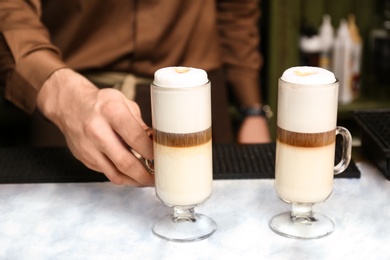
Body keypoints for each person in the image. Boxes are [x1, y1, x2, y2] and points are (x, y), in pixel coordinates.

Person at [0, 0, 270, 187]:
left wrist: (252, 108)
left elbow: (237, 11)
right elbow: (9, 10)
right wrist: (62, 96)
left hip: (200, 104)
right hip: (76, 114)